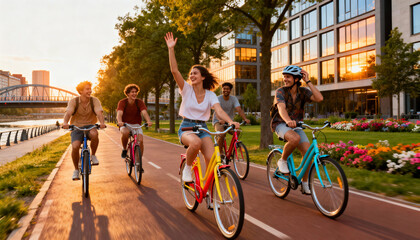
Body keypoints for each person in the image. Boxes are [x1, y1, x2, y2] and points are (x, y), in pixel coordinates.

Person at [164, 32, 240, 182]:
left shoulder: (211, 95)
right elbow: (174, 71)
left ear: (203, 77)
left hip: (203, 128)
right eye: (191, 74)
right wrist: (171, 49)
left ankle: (208, 189)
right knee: (196, 143)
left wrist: (230, 121)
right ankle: (187, 168)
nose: (191, 76)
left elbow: (219, 111)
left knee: (212, 159)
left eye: (195, 73)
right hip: (186, 127)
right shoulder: (186, 89)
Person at [271, 65, 323, 194]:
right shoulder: (280, 91)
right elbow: (281, 109)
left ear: (296, 79)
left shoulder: (304, 92)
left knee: (308, 153)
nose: (285, 79)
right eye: (284, 77)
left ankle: (305, 184)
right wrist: (288, 121)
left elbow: (319, 98)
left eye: (288, 77)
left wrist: (308, 81)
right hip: (280, 124)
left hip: (297, 125)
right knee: (295, 139)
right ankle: (282, 160)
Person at [62, 81, 106, 180]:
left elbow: (99, 112)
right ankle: (76, 170)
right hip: (77, 127)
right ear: (81, 91)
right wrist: (65, 122)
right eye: (87, 89)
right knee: (75, 146)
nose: (90, 91)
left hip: (90, 125)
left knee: (95, 134)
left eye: (90, 89)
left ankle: (93, 155)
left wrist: (102, 123)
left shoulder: (94, 100)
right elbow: (68, 113)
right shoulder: (74, 101)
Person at [212, 82, 250, 158]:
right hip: (218, 121)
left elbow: (239, 109)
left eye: (228, 89)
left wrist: (245, 119)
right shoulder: (218, 98)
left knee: (238, 131)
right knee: (222, 133)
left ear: (230, 90)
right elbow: (217, 111)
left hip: (229, 122)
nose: (226, 90)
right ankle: (219, 153)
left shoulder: (233, 99)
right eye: (224, 89)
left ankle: (231, 151)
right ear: (222, 89)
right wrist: (220, 119)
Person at [117, 84, 153, 159]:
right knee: (125, 133)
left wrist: (148, 121)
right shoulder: (122, 102)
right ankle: (124, 149)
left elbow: (144, 112)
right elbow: (119, 113)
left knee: (140, 141)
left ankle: (139, 162)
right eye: (132, 92)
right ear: (128, 94)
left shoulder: (139, 102)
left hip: (136, 125)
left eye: (135, 92)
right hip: (125, 124)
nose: (134, 93)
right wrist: (120, 121)